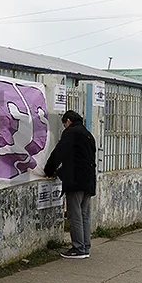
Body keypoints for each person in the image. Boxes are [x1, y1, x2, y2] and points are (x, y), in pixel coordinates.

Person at [44, 110, 97, 259]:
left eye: (64, 124)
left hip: (76, 181)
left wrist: (49, 170)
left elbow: (59, 153)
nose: (64, 127)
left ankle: (78, 248)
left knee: (75, 215)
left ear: (68, 121)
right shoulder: (88, 135)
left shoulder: (71, 133)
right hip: (89, 180)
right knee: (85, 215)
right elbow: (80, 159)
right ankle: (85, 246)